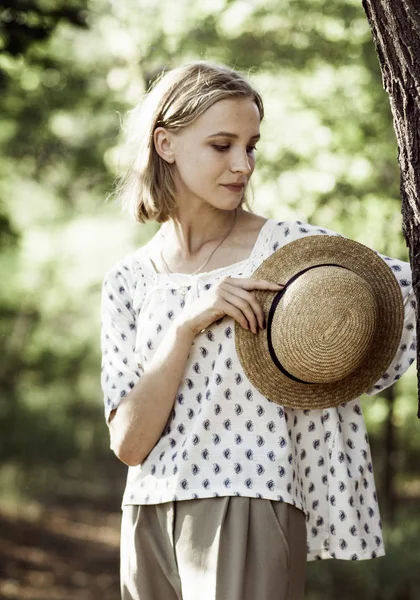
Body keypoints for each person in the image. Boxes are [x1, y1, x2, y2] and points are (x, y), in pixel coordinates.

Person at [100, 61, 416, 600]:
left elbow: (399, 295)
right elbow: (129, 443)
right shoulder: (128, 280)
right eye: (222, 145)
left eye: (251, 147)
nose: (242, 164)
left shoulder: (290, 254)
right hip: (146, 511)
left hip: (247, 495)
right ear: (166, 144)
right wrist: (184, 329)